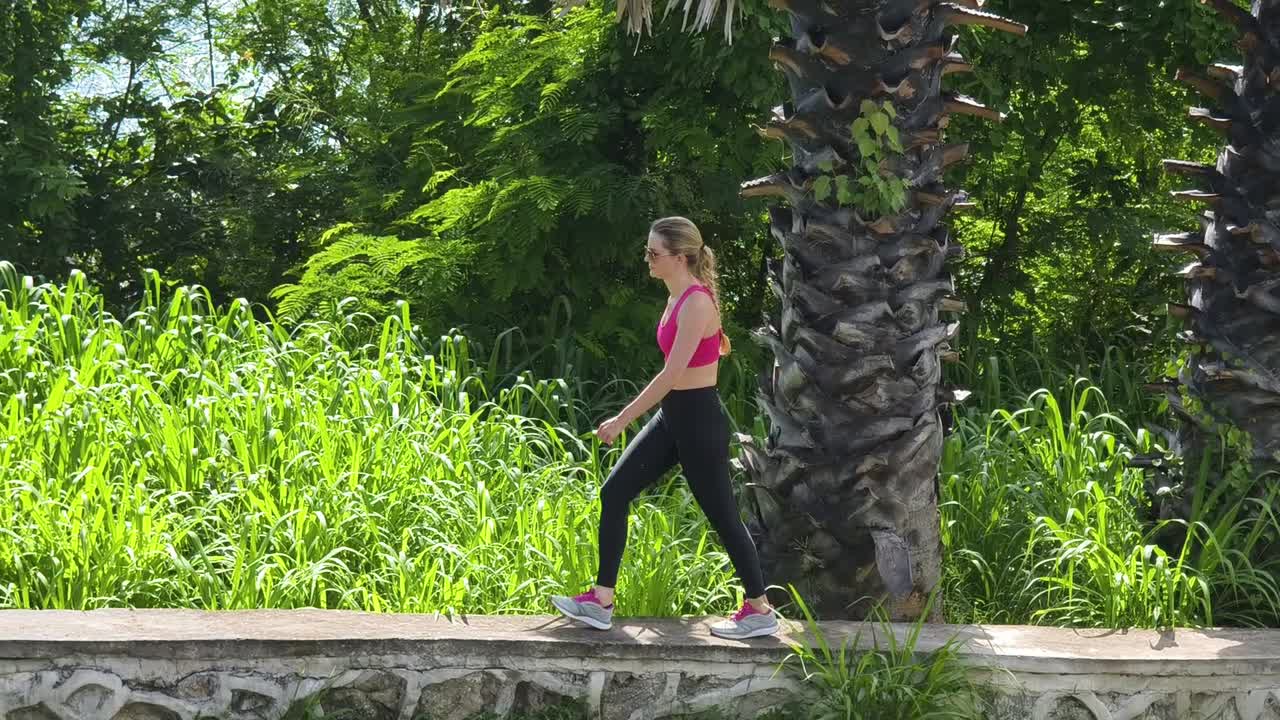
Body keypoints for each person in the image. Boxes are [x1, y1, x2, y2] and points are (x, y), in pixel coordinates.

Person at [549, 216, 779, 640]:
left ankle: (760, 610)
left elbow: (672, 375)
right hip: (673, 417)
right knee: (614, 492)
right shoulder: (675, 299)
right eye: (647, 252)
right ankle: (601, 600)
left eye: (654, 253)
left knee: (724, 517)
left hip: (698, 422)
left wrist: (621, 419)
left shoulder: (695, 303)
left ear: (679, 256)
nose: (648, 260)